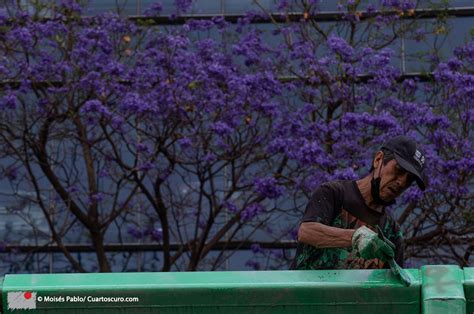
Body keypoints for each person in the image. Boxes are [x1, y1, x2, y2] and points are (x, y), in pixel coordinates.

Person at [290, 135, 426, 270]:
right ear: (378, 160)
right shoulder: (333, 193)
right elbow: (307, 232)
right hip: (303, 290)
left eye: (409, 180)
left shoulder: (391, 232)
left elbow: (394, 286)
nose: (402, 182)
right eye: (399, 170)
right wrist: (355, 237)